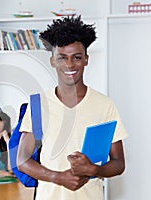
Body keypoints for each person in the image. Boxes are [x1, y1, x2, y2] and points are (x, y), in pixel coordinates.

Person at [17, 15, 128, 200]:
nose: (69, 64)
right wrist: (58, 177)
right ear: (53, 61)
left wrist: (94, 169)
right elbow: (22, 160)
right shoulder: (38, 104)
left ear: (86, 59)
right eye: (62, 58)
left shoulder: (104, 105)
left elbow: (119, 163)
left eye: (76, 57)